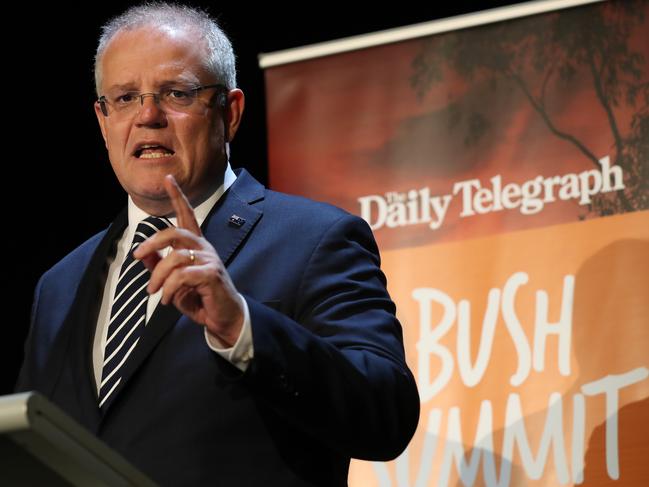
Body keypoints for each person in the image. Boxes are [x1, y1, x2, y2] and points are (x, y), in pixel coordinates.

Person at [16, 3, 419, 486]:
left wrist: (242, 327)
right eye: (125, 98)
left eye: (176, 93)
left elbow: (385, 413)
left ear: (230, 113)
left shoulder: (314, 240)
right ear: (103, 122)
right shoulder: (60, 284)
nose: (147, 116)